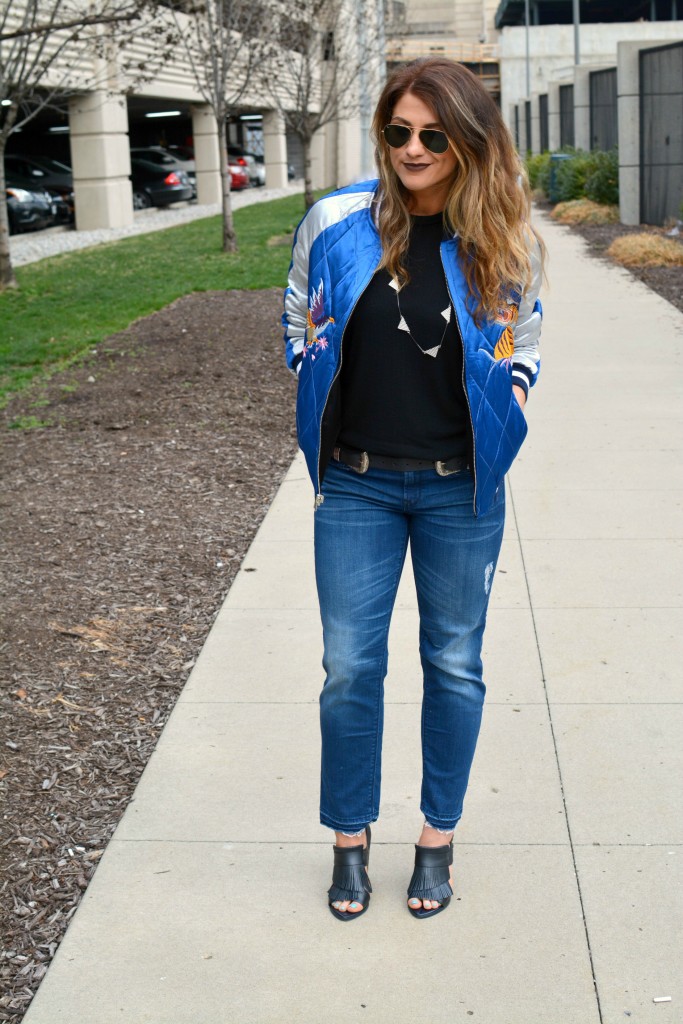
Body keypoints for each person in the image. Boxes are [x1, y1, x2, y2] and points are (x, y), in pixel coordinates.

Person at [283, 56, 543, 921]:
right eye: (398, 132)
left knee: (454, 664)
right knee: (349, 666)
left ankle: (437, 839)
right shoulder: (336, 219)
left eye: (433, 135)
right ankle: (349, 840)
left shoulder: (502, 235)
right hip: (355, 485)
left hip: (460, 491)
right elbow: (298, 311)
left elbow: (526, 338)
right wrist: (305, 363)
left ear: (466, 139)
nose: (413, 148)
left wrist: (508, 398)